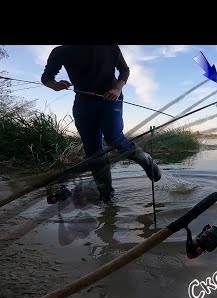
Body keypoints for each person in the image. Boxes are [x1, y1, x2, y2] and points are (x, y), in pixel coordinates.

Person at [41, 45, 161, 202]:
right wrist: (54, 85)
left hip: (110, 98)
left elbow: (124, 70)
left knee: (114, 138)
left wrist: (117, 89)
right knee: (93, 151)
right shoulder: (60, 51)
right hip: (83, 102)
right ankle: (106, 196)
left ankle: (146, 160)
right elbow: (46, 78)